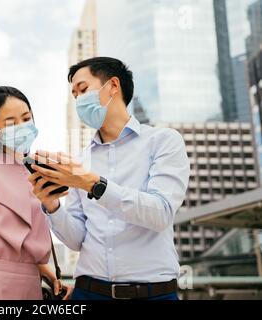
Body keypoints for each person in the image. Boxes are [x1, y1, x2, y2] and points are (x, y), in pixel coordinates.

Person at [29, 57, 190, 300]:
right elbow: (76, 239)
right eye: (75, 96)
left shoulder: (163, 141)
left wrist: (92, 183)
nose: (79, 101)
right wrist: (52, 206)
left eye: (83, 90)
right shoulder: (79, 162)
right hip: (88, 292)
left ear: (113, 85)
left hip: (152, 293)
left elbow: (161, 213)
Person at [0, 86, 71, 300]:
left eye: (26, 119)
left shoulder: (36, 171)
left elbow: (25, 244)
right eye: (11, 123)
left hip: (31, 286)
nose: (22, 126)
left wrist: (48, 275)